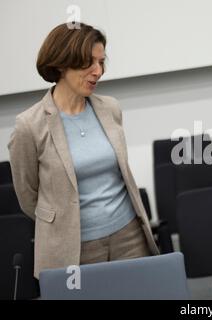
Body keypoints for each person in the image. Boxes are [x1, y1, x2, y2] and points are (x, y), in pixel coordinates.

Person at [8, 22, 159, 279]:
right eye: (89, 63)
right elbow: (28, 197)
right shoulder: (29, 125)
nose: (97, 71)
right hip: (73, 248)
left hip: (129, 237)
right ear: (61, 64)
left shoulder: (110, 108)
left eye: (101, 63)